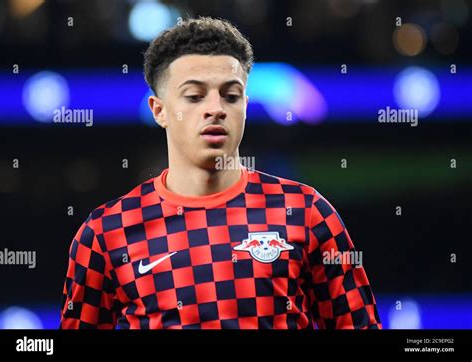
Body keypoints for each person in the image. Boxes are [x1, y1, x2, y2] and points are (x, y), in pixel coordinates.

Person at [60, 16, 381, 329]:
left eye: (230, 95)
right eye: (195, 96)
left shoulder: (307, 212)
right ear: (159, 111)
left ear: (245, 104)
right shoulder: (106, 232)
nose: (216, 108)